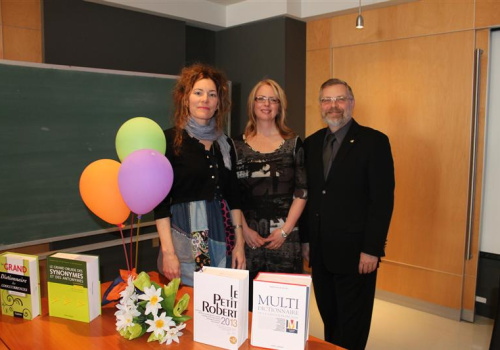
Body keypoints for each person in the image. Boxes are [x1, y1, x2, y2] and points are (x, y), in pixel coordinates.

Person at [302, 78, 395, 350]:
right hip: (320, 253)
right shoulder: (311, 143)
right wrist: (306, 241)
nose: (333, 106)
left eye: (340, 99)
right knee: (330, 320)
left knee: (353, 326)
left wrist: (372, 249)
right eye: (327, 100)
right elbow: (307, 197)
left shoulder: (374, 142)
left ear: (351, 103)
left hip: (357, 255)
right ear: (320, 105)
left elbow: (382, 201)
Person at [154, 63, 246, 286]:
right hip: (188, 230)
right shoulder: (168, 140)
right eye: (198, 92)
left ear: (218, 103)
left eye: (212, 94)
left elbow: (233, 196)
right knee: (194, 295)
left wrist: (239, 243)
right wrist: (168, 252)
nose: (205, 99)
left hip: (222, 233)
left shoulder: (225, 144)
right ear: (186, 98)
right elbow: (161, 202)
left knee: (220, 296)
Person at [233, 79, 307, 308]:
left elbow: (302, 192)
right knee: (249, 309)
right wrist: (244, 231)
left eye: (272, 99)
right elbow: (233, 195)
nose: (266, 104)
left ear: (280, 106)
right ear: (252, 104)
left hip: (285, 241)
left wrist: (284, 232)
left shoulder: (294, 144)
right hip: (248, 242)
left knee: (283, 310)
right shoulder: (236, 146)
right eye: (261, 98)